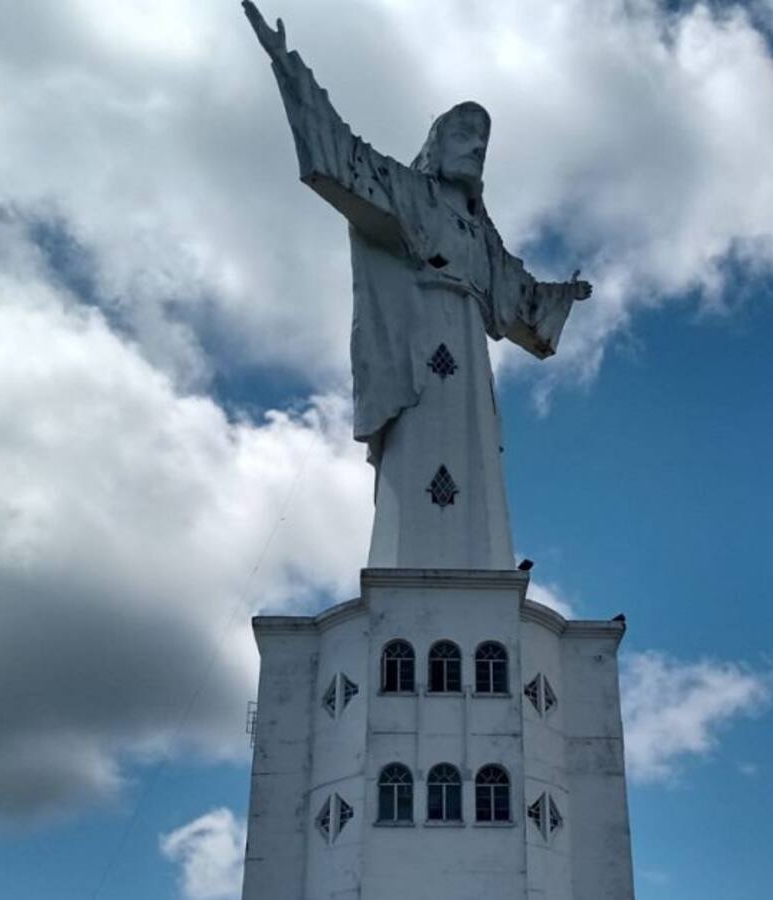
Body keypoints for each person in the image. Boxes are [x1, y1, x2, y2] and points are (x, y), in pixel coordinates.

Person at [244, 1, 591, 569]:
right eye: (465, 133)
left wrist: (560, 297)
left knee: (475, 459)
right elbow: (342, 156)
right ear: (437, 142)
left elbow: (521, 300)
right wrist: (290, 70)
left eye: (484, 139)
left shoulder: (484, 237)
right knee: (420, 456)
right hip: (417, 344)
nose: (477, 146)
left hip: (469, 360)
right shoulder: (407, 193)